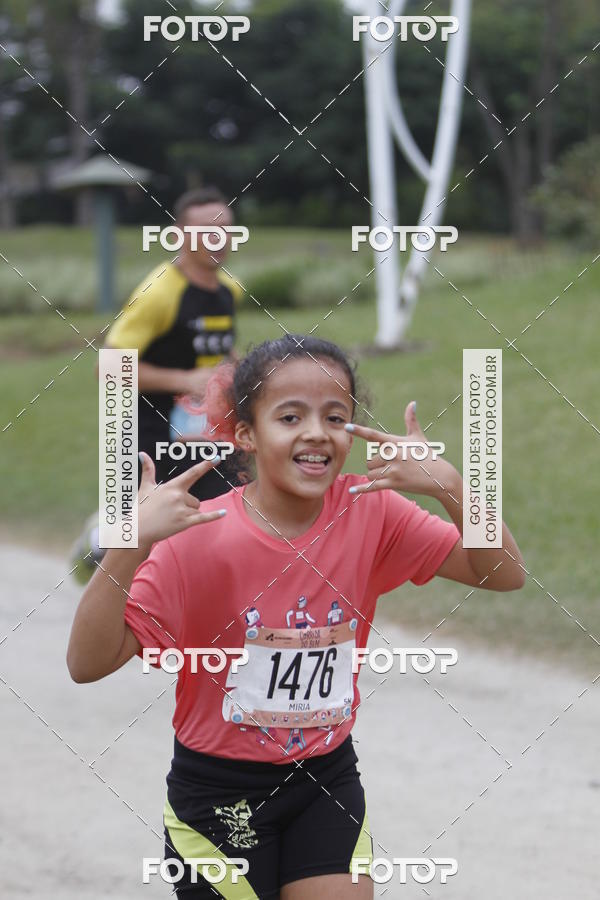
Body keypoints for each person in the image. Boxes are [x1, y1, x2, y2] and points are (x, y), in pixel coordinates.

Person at [67, 334, 526, 899]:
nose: (316, 431)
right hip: (219, 798)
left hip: (326, 780)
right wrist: (129, 547)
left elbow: (502, 572)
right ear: (245, 434)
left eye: (336, 416)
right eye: (290, 416)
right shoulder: (196, 538)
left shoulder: (372, 510)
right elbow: (86, 663)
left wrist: (454, 488)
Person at [69, 186, 249, 584]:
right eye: (206, 231)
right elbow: (108, 367)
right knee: (143, 529)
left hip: (206, 428)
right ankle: (100, 540)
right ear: (181, 235)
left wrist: (243, 371)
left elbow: (217, 344)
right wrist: (186, 380)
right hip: (146, 426)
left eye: (227, 230)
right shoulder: (161, 292)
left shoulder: (227, 291)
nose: (219, 240)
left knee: (221, 507)